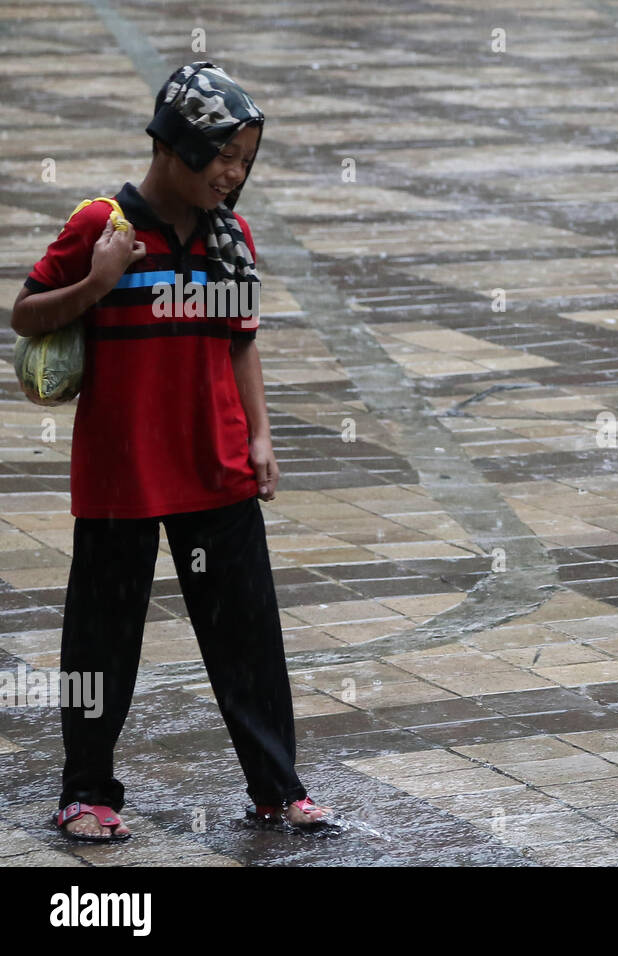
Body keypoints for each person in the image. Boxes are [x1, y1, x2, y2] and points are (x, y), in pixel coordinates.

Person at [12, 61, 332, 840]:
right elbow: (24, 315)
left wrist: (259, 436)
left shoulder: (232, 238)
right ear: (178, 144)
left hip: (216, 466)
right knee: (102, 640)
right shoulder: (102, 226)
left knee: (249, 636)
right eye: (225, 155)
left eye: (246, 161)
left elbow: (240, 344)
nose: (235, 173)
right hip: (123, 472)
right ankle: (86, 792)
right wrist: (97, 283)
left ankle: (277, 789)